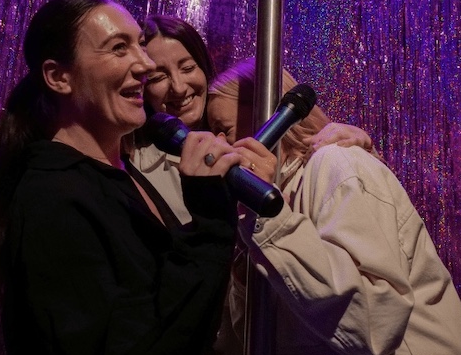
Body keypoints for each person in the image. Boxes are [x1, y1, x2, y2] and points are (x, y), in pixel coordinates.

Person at [0, 0, 267, 355]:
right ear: (58, 77)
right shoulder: (54, 196)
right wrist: (209, 223)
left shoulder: (116, 173)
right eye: (119, 48)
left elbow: (165, 305)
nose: (145, 65)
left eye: (139, 44)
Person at [206, 61, 461, 355]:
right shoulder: (256, 207)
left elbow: (373, 323)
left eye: (223, 129)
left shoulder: (337, 166)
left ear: (266, 114)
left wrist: (270, 216)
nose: (218, 145)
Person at [135, 13, 372, 224]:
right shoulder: (139, 166)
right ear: (141, 88)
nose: (178, 87)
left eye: (187, 68)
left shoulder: (239, 130)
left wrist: (359, 146)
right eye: (157, 78)